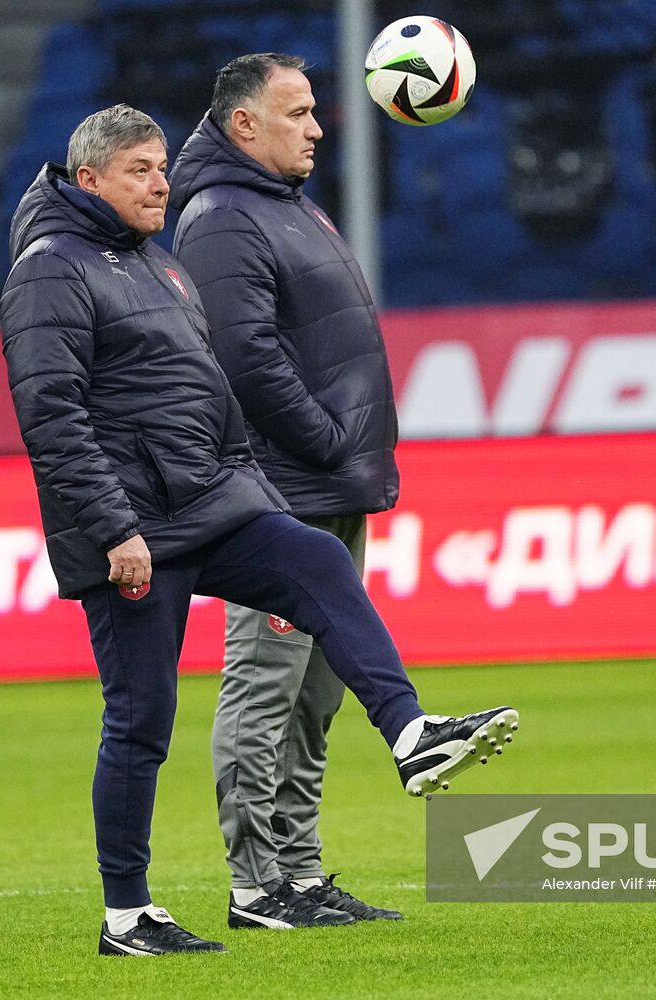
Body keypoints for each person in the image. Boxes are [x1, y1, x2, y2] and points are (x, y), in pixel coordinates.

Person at [0, 104, 520, 957]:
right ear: (87, 179)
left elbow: (207, 391)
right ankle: (127, 915)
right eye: (138, 168)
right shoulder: (50, 270)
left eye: (162, 164)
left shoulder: (152, 264)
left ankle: (411, 735)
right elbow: (50, 417)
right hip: (132, 529)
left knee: (314, 557)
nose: (160, 181)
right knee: (140, 719)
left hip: (206, 504)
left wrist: (247, 485)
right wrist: (112, 529)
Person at [168, 53, 403, 930]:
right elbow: (245, 357)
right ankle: (256, 886)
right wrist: (324, 439)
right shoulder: (223, 216)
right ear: (243, 125)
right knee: (264, 686)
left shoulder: (279, 204)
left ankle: (300, 875)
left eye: (312, 112)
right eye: (298, 112)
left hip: (328, 482)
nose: (315, 127)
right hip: (282, 491)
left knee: (315, 696)